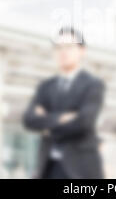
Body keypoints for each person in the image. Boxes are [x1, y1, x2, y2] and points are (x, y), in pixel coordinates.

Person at [23, 26, 105, 179]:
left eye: (68, 47)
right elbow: (29, 119)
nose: (63, 52)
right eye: (58, 47)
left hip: (80, 170)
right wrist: (61, 118)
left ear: (82, 50)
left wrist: (46, 124)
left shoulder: (93, 85)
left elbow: (84, 122)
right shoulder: (45, 87)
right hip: (48, 168)